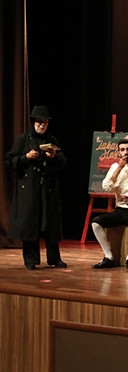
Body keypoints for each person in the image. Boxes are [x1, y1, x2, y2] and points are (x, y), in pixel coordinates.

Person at [5, 105, 68, 270]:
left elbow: (62, 162)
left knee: (51, 224)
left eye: (45, 122)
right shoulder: (23, 140)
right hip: (29, 189)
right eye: (39, 122)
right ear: (33, 123)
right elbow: (10, 161)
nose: (42, 125)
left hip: (48, 188)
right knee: (30, 224)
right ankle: (31, 260)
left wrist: (54, 157)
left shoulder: (52, 140)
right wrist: (26, 157)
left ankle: (54, 258)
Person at [91, 139, 128, 270]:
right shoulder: (115, 167)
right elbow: (106, 187)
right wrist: (119, 168)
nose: (125, 152)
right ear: (119, 152)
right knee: (96, 223)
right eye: (122, 150)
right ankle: (108, 256)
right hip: (120, 209)